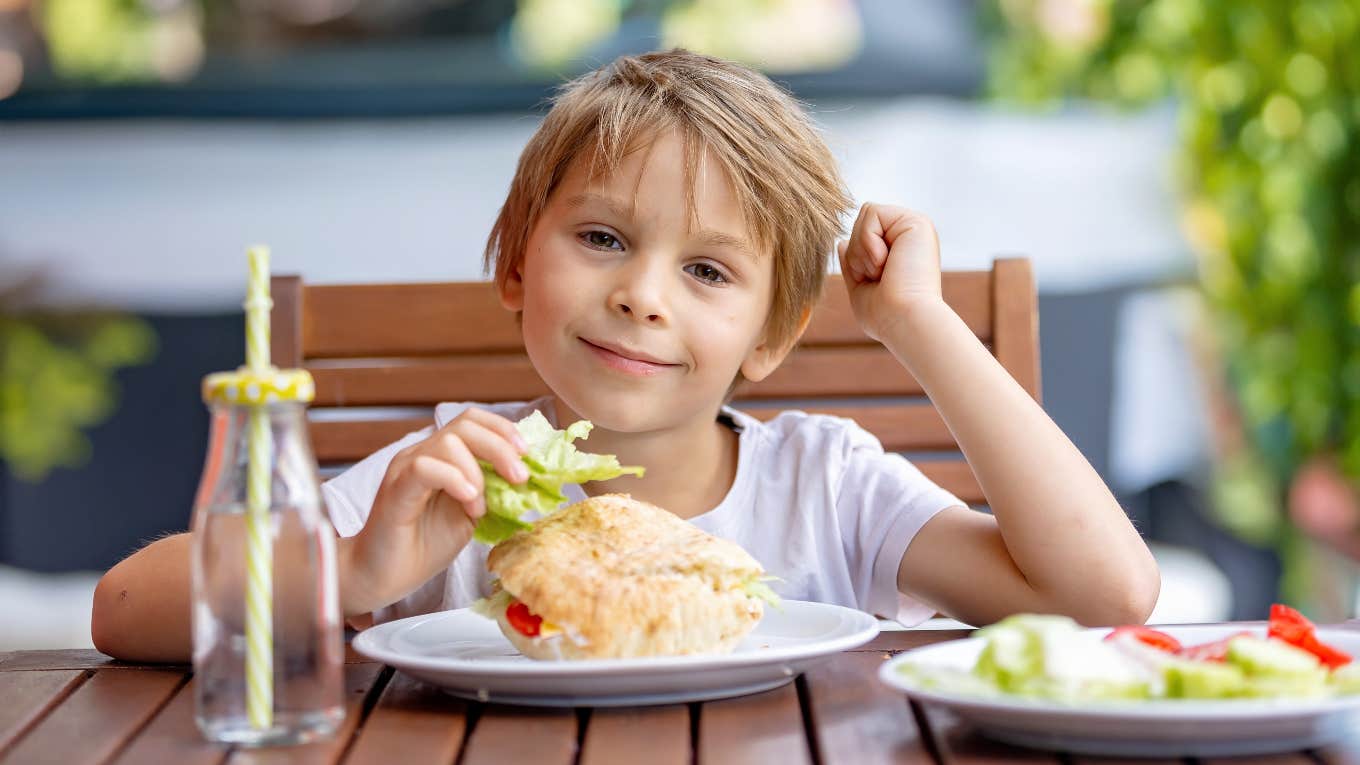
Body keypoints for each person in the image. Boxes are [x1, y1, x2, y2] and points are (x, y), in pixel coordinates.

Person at [91, 49, 1159, 662]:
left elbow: (1107, 594)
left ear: (774, 337)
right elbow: (124, 608)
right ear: (516, 265)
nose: (640, 295)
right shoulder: (459, 481)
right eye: (602, 238)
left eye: (708, 272)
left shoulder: (827, 489)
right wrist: (357, 568)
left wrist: (918, 325)